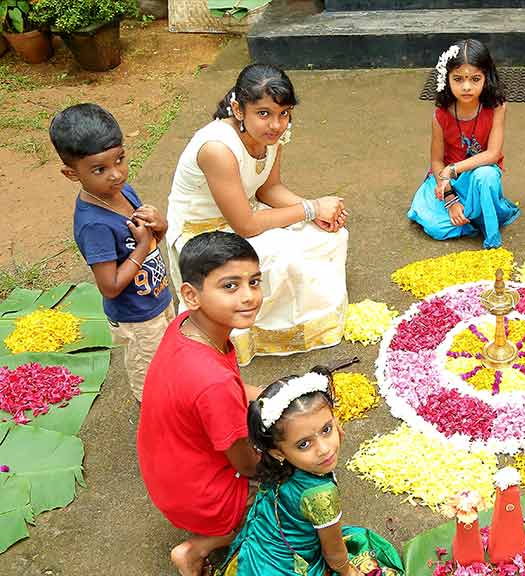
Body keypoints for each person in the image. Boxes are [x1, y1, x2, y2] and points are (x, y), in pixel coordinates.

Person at [166, 63, 349, 366]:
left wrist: (314, 212)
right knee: (283, 256)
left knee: (329, 237)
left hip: (245, 215)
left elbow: (268, 188)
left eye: (284, 113)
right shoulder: (217, 149)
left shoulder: (274, 135)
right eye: (263, 113)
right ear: (238, 109)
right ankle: (256, 334)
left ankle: (302, 322)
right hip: (203, 234)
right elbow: (246, 225)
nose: (276, 125)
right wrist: (310, 208)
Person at [137, 231, 263, 576]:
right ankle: (200, 546)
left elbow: (233, 390)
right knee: (303, 482)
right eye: (230, 286)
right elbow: (249, 466)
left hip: (169, 476)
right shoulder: (213, 382)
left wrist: (278, 394)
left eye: (254, 281)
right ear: (191, 295)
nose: (249, 296)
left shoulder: (185, 327)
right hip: (202, 499)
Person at [217, 367, 405, 576]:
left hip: (257, 557)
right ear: (278, 452)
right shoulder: (321, 494)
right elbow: (334, 555)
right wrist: (349, 572)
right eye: (304, 444)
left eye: (326, 429)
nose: (324, 449)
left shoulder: (276, 468)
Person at [51, 103, 173, 403]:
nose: (116, 174)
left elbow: (152, 238)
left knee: (169, 363)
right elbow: (110, 286)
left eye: (119, 159)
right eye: (99, 169)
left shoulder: (123, 192)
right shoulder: (94, 225)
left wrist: (161, 225)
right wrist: (143, 247)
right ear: (71, 173)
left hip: (158, 298)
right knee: (150, 381)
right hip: (137, 317)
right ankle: (156, 422)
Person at [407, 39, 519, 249]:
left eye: (475, 79)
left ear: (487, 78)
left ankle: (486, 226)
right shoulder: (440, 115)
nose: (466, 86)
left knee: (485, 176)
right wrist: (449, 198)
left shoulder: (496, 107)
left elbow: (493, 154)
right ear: (446, 79)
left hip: (480, 175)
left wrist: (454, 169)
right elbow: (437, 161)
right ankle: (476, 214)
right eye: (458, 79)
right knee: (436, 227)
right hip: (449, 180)